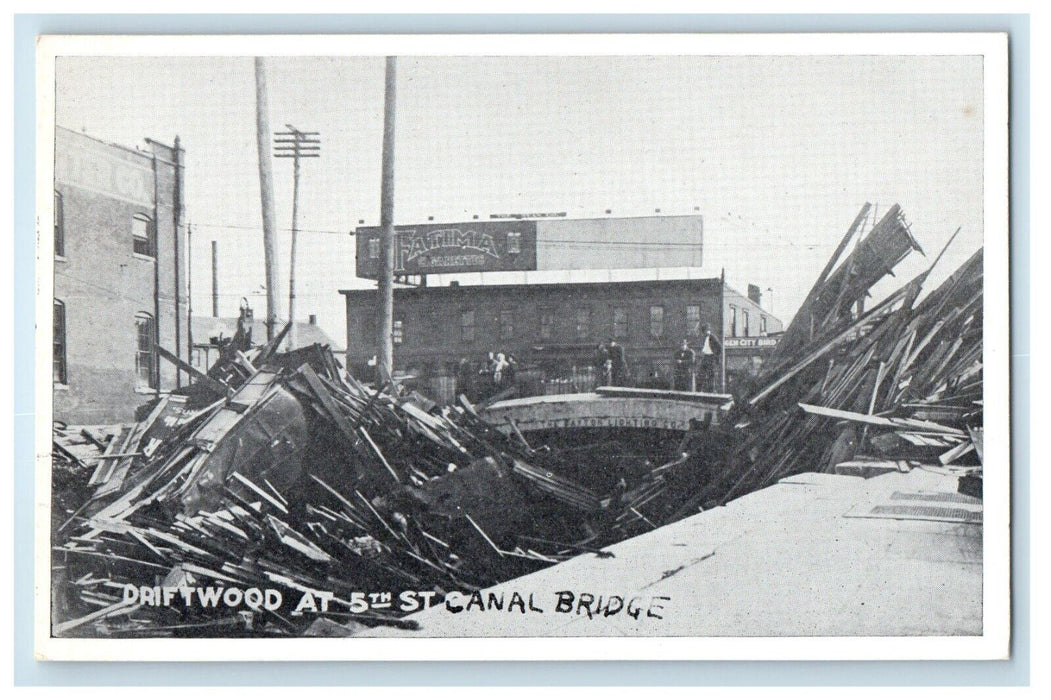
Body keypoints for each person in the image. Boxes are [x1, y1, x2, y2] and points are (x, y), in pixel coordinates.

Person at [697, 324, 722, 392]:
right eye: (704, 331)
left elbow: (719, 347)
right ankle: (700, 390)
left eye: (705, 331)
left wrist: (716, 356)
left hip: (711, 357)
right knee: (701, 373)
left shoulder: (713, 337)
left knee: (711, 375)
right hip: (705, 357)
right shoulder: (705, 338)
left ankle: (711, 390)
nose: (704, 333)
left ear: (708, 330)